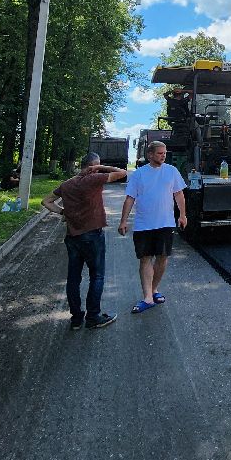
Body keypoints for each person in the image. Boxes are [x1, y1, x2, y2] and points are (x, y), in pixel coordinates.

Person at [41, 153, 128, 330]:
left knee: (74, 278)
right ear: (92, 166)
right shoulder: (94, 179)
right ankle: (93, 316)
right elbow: (123, 173)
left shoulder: (66, 184)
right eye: (97, 165)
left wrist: (63, 212)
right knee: (97, 276)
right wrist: (100, 168)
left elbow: (46, 201)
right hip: (92, 236)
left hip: (72, 237)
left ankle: (76, 319)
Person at [118, 141, 187, 315]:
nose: (163, 156)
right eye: (159, 153)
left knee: (162, 258)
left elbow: (179, 194)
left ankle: (154, 289)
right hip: (144, 224)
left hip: (166, 223)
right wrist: (123, 221)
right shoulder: (139, 174)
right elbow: (129, 199)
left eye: (164, 153)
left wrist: (183, 215)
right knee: (145, 259)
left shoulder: (171, 171)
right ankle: (147, 297)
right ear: (150, 155)